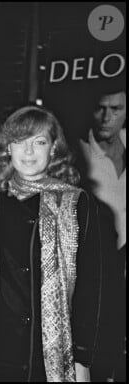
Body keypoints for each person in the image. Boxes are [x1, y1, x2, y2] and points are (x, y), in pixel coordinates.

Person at [0, 105, 102, 382]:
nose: (29, 152)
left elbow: (90, 285)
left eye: (39, 142)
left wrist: (83, 357)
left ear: (54, 149)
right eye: (20, 142)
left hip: (50, 351)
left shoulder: (76, 203)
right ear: (7, 148)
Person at [78, 86, 126, 382]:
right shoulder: (80, 155)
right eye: (100, 108)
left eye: (116, 109)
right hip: (100, 272)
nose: (106, 117)